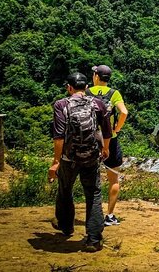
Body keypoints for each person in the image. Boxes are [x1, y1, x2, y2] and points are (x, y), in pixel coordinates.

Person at [48, 72, 111, 252]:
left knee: (65, 189)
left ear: (69, 87)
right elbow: (106, 130)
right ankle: (93, 239)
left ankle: (66, 227)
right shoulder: (97, 103)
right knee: (93, 194)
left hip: (69, 158)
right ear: (86, 88)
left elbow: (59, 136)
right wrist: (105, 149)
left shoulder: (61, 105)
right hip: (91, 157)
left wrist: (56, 161)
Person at [87, 64, 129, 226]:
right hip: (109, 139)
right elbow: (124, 112)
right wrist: (116, 129)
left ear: (96, 77)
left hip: (90, 139)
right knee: (114, 179)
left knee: (89, 178)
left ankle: (92, 213)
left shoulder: (87, 92)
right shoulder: (114, 93)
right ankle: (109, 215)